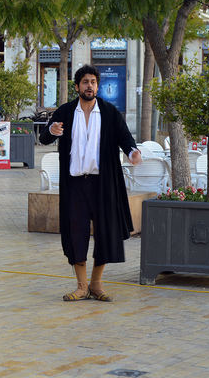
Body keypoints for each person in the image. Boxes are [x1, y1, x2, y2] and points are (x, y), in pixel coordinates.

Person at [39, 65, 142, 302]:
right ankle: (81, 285)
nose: (90, 86)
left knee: (106, 232)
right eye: (85, 82)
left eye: (93, 82)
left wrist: (132, 152)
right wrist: (52, 131)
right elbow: (44, 138)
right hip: (74, 184)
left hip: (103, 184)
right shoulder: (65, 112)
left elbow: (125, 138)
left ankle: (96, 284)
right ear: (77, 87)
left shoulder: (109, 112)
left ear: (97, 86)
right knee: (76, 233)